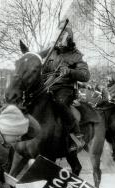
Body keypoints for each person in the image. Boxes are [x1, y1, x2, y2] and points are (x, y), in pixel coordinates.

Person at [41, 21, 90, 151]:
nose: (59, 40)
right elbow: (42, 69)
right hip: (48, 86)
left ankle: (77, 134)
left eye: (62, 36)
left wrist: (70, 71)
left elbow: (85, 75)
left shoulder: (76, 55)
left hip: (65, 89)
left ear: (68, 38)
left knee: (60, 103)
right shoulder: (51, 52)